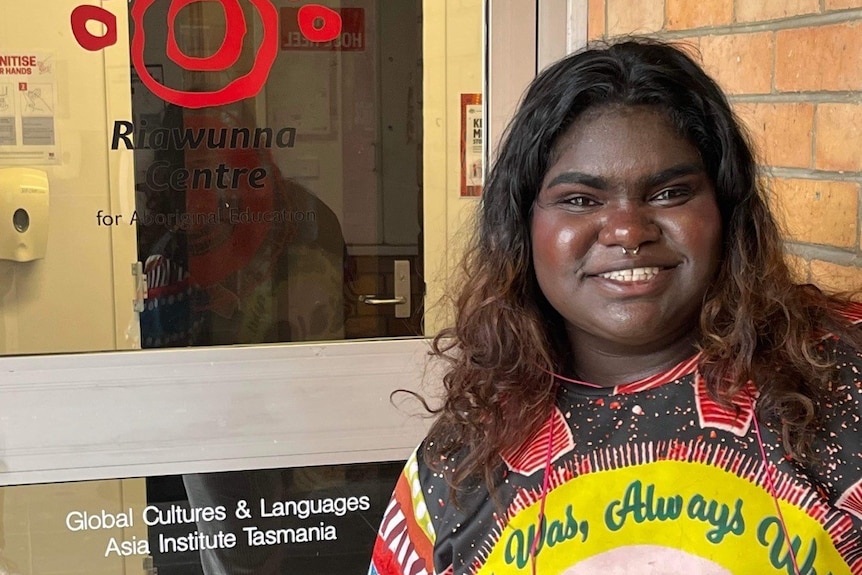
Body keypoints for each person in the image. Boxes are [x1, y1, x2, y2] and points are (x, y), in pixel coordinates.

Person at [369, 39, 862, 575]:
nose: (628, 230)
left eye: (670, 192)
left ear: (726, 212)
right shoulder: (468, 453)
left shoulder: (840, 379)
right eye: (581, 200)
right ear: (523, 228)